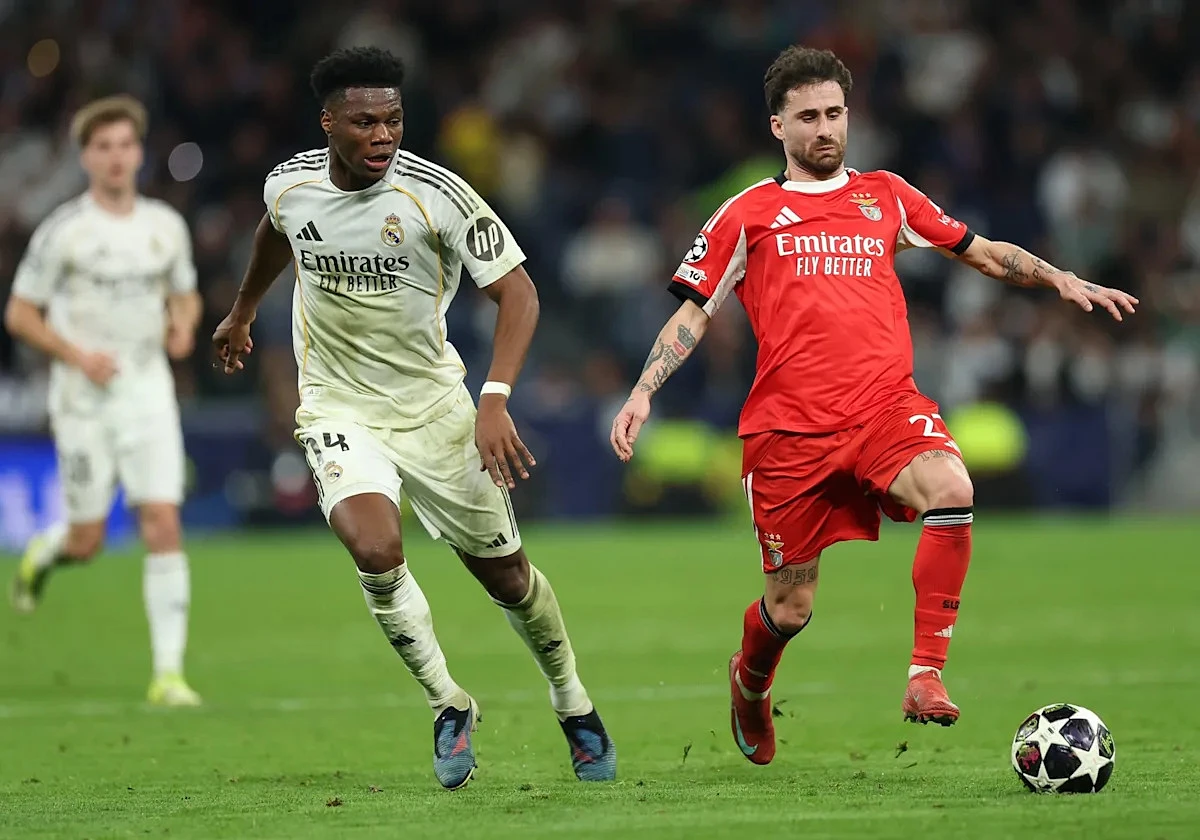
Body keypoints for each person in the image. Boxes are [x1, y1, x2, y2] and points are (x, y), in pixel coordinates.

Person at [609, 46, 1137, 766]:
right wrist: (644, 389)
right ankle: (750, 682)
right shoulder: (749, 213)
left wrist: (1058, 278)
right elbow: (693, 313)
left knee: (952, 487)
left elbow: (980, 251)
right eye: (808, 117)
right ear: (778, 126)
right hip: (790, 432)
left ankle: (925, 674)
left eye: (834, 113)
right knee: (791, 607)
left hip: (885, 407)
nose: (825, 128)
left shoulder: (886, 195)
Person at [212, 47, 615, 790]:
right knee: (374, 547)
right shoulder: (289, 184)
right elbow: (276, 232)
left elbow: (519, 294)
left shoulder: (439, 195)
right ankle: (447, 702)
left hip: (434, 409)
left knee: (508, 578)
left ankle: (572, 699)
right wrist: (243, 312)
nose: (383, 135)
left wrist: (494, 399)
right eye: (365, 122)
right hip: (336, 403)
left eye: (393, 120)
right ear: (328, 122)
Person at [6, 95, 203, 707]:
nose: (116, 157)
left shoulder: (164, 226)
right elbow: (19, 313)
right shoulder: (65, 231)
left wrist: (184, 326)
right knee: (87, 542)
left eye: (125, 145)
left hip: (147, 389)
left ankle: (168, 675)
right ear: (85, 157)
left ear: (139, 153)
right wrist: (75, 354)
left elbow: (186, 293)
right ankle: (49, 550)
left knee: (162, 519)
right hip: (83, 398)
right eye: (103, 147)